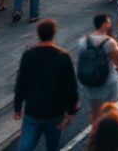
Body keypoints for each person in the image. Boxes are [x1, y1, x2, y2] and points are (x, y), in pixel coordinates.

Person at [13, 19, 79, 151]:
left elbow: (21, 83)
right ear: (54, 34)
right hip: (55, 113)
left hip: (33, 111)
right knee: (52, 146)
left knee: (25, 146)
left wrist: (18, 107)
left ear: (38, 34)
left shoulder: (28, 55)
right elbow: (70, 87)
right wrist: (71, 111)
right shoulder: (63, 57)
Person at [76, 14, 118, 127]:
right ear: (104, 25)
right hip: (107, 82)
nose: (110, 24)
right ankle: (112, 133)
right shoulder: (109, 42)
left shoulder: (83, 41)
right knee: (111, 108)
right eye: (108, 22)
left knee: (94, 111)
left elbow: (79, 61)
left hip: (90, 83)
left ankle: (95, 134)